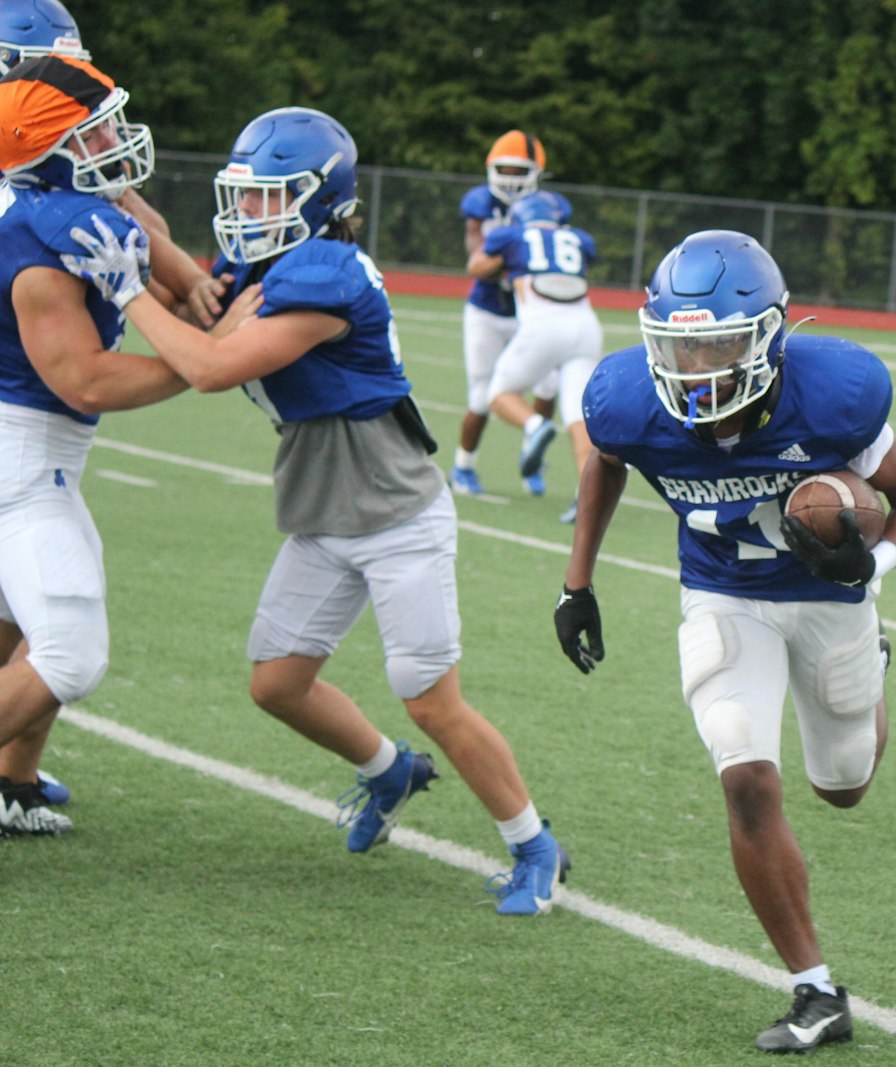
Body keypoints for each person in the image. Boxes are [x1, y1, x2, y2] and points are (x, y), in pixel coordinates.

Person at [64, 106, 569, 911]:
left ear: (320, 201)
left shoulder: (326, 274)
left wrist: (127, 292)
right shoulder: (265, 258)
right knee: (277, 681)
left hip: (398, 514)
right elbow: (187, 283)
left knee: (431, 698)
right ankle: (388, 772)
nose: (248, 214)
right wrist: (106, 198)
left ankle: (534, 845)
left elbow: (208, 366)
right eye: (245, 195)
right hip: (324, 513)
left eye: (270, 197)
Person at [555, 230, 896, 1052]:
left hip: (829, 600)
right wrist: (576, 583)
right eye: (681, 348)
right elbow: (606, 462)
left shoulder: (835, 392)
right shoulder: (626, 397)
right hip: (724, 596)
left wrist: (868, 564)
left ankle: (874, 668)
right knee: (747, 775)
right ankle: (814, 989)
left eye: (721, 343)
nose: (698, 369)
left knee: (843, 787)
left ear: (768, 334)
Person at [0, 0, 230, 815]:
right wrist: (204, 361)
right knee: (65, 646)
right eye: (94, 129)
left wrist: (194, 290)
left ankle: (12, 783)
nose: (113, 139)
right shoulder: (40, 227)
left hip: (31, 444)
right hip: (20, 444)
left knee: (12, 625)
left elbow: (141, 224)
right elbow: (87, 381)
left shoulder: (54, 198)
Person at [466, 189, 600, 523]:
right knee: (579, 420)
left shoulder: (511, 235)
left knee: (498, 394)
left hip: (543, 325)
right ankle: (587, 500)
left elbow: (476, 267)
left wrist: (501, 260)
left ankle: (535, 424)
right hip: (586, 328)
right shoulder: (579, 239)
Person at [449, 129, 560, 497]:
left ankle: (534, 456)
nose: (511, 179)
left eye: (519, 171)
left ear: (535, 172)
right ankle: (463, 466)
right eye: (505, 170)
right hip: (487, 310)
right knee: (481, 396)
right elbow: (476, 260)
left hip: (531, 310)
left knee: (548, 385)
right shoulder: (480, 203)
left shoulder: (550, 207)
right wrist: (509, 259)